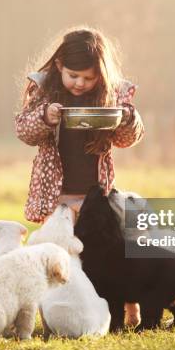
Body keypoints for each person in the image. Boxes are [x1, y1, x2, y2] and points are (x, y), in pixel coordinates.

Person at [15, 27, 144, 223]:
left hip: (95, 195)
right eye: (73, 76)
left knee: (93, 245)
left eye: (88, 78)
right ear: (59, 65)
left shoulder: (111, 96)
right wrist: (45, 117)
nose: (80, 83)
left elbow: (127, 140)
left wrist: (125, 117)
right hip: (55, 195)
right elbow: (24, 131)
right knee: (59, 245)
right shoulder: (46, 90)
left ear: (100, 74)